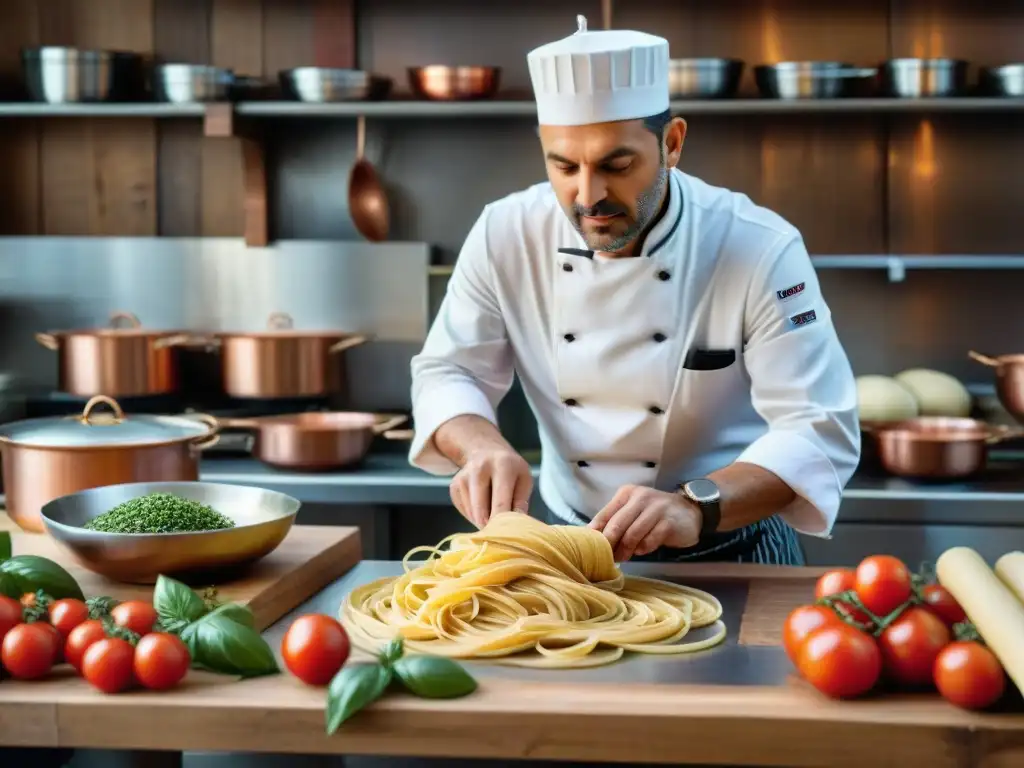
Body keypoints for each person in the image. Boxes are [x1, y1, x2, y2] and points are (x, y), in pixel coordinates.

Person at [407, 16, 860, 566]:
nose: (588, 195)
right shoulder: (505, 232)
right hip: (565, 548)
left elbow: (817, 427)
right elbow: (449, 371)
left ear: (672, 143)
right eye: (564, 166)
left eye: (616, 165)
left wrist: (693, 507)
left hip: (734, 546)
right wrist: (481, 448)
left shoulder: (758, 246)